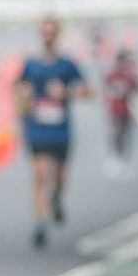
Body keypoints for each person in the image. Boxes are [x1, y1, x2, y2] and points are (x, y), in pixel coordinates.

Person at [16, 16, 90, 249]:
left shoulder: (67, 64)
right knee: (39, 177)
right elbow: (18, 92)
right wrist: (24, 98)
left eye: (52, 32)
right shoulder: (31, 65)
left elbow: (87, 91)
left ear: (57, 35)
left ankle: (56, 197)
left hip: (60, 131)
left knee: (58, 177)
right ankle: (40, 224)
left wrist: (66, 92)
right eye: (44, 32)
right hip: (37, 129)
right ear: (41, 35)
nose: (48, 36)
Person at [103, 47, 138, 177]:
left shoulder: (129, 75)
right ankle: (115, 158)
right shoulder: (112, 74)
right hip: (115, 109)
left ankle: (123, 159)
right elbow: (105, 89)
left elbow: (137, 88)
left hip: (126, 110)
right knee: (116, 134)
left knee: (125, 135)